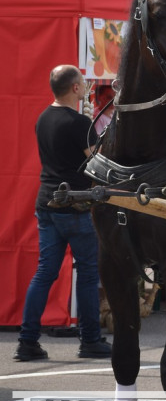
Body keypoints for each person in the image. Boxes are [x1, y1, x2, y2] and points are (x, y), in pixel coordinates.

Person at [15, 65, 111, 362]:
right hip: (76, 204)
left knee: (45, 272)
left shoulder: (43, 118)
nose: (85, 87)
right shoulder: (79, 123)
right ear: (74, 88)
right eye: (83, 83)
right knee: (87, 272)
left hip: (46, 202)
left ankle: (27, 341)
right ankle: (90, 339)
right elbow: (95, 163)